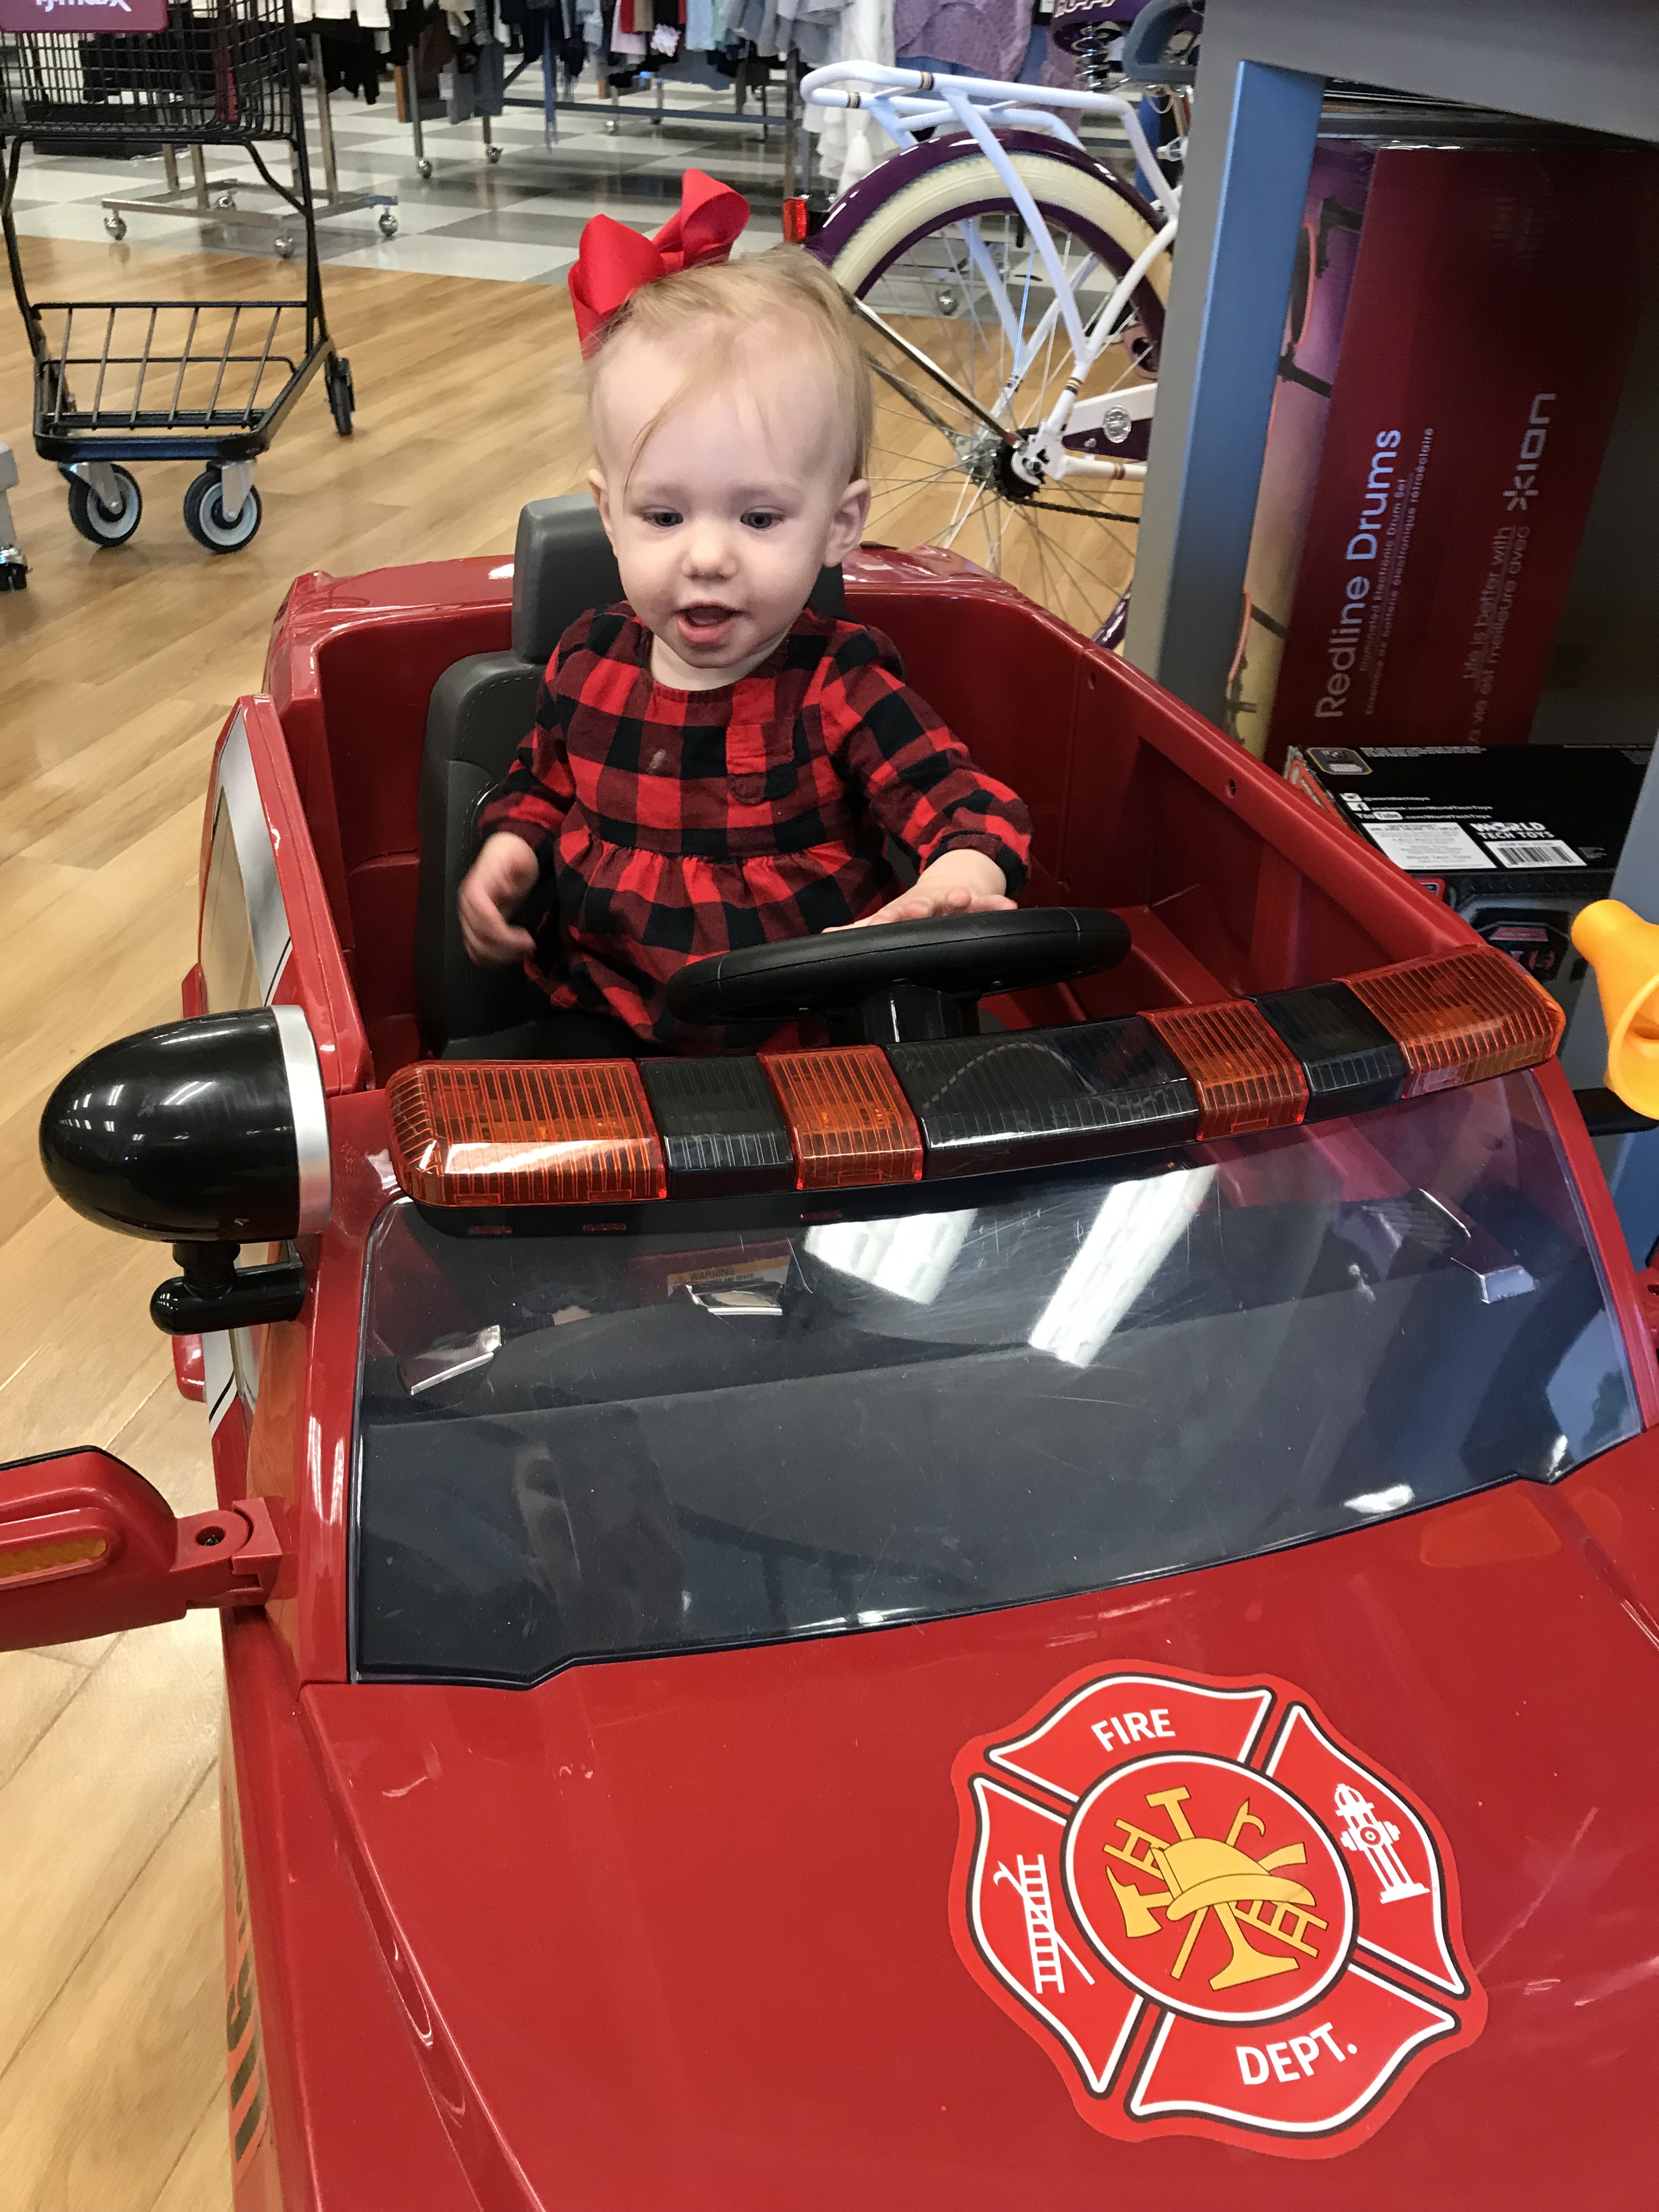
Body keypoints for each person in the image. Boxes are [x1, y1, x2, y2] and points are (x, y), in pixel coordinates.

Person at [456, 170, 1032, 1057]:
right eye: (663, 516)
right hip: (609, 1016)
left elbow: (962, 805)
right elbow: (540, 785)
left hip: (803, 1037)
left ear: (838, 525)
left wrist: (953, 882)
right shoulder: (586, 662)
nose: (707, 557)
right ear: (609, 514)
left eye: (759, 518)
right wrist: (511, 852)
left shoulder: (841, 686)